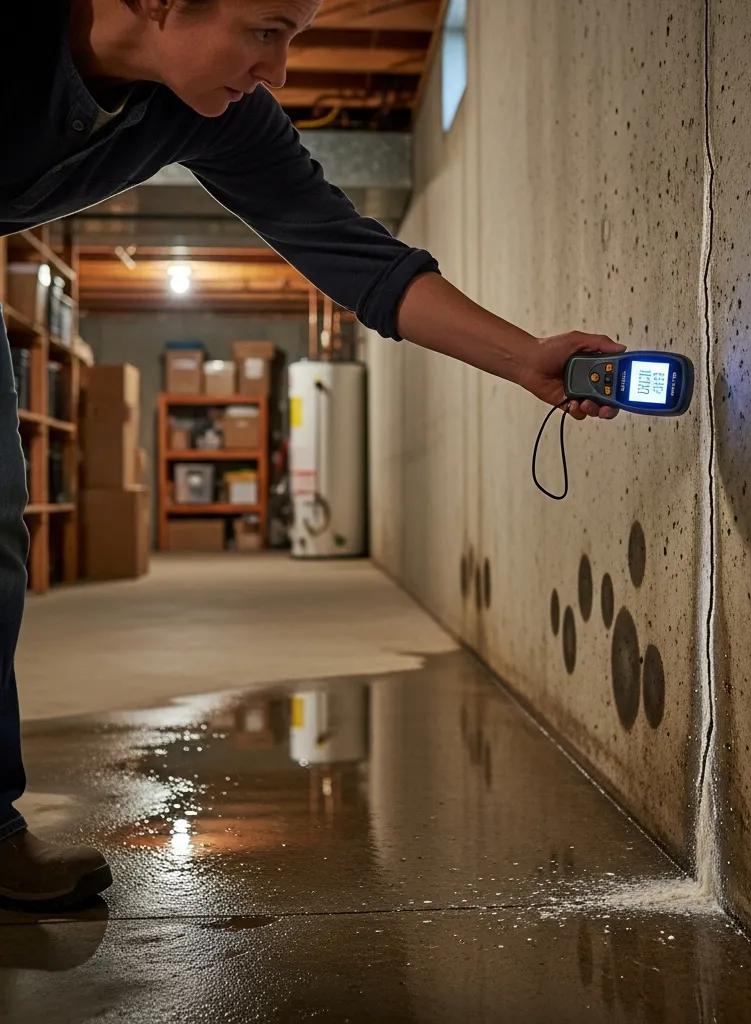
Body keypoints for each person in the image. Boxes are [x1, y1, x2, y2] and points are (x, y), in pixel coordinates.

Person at [0, 0, 624, 907]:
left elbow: (356, 256)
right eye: (267, 29)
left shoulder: (202, 111)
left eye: (295, 36)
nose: (282, 70)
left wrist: (525, 357)